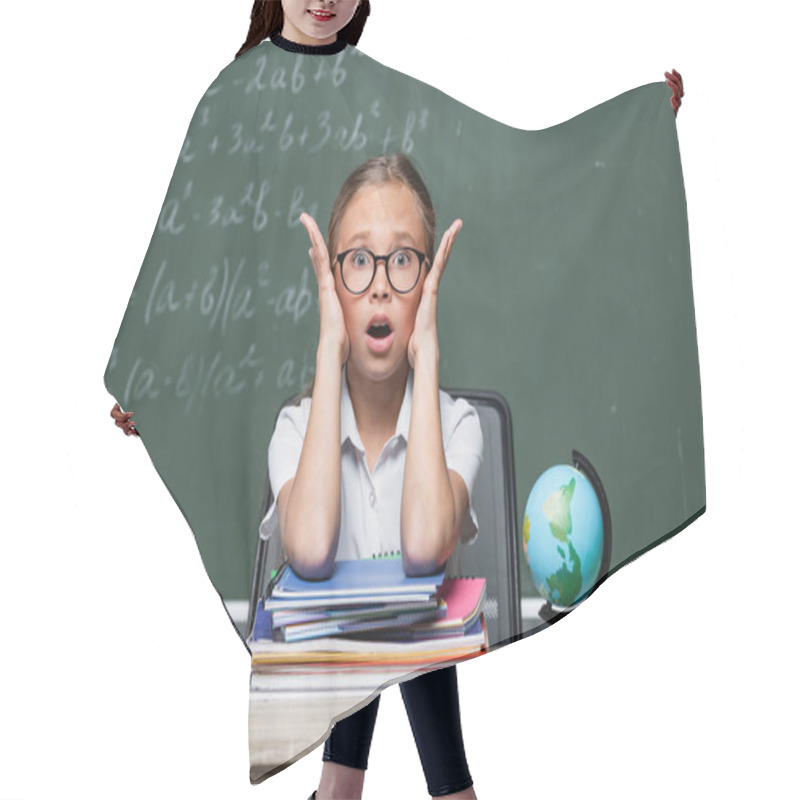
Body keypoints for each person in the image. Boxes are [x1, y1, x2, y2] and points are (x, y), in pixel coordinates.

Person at [110, 0, 683, 435]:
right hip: (263, 366)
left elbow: (496, 169)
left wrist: (633, 136)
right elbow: (193, 251)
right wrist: (148, 370)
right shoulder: (233, 96)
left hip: (365, 375)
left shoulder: (378, 92)